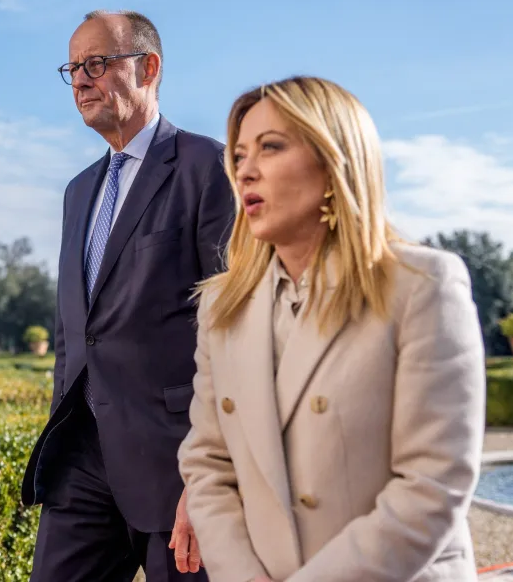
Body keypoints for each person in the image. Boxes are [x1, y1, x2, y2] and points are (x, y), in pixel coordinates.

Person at [177, 75, 487, 582]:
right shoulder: (221, 307)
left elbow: (433, 485)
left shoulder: (421, 286)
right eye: (239, 155)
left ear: (333, 161)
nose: (245, 171)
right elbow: (208, 466)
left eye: (270, 147)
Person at [19, 9, 235, 582]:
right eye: (72, 69)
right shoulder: (77, 191)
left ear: (149, 68)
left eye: (96, 63)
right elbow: (73, 331)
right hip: (80, 461)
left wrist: (213, 471)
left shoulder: (208, 168)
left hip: (175, 462)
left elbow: (234, 331)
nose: (81, 80)